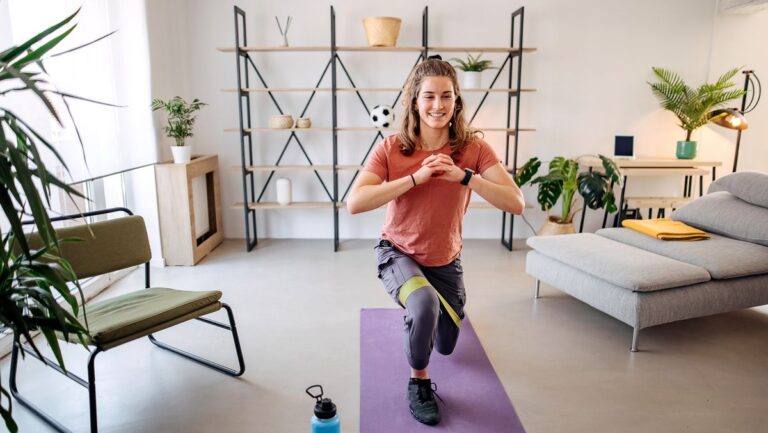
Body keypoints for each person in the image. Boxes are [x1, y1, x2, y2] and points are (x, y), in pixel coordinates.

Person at [347, 57, 525, 426]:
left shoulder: (473, 150)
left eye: (446, 96)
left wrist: (464, 177)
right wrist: (416, 178)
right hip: (397, 252)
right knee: (423, 304)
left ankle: (424, 317)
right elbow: (355, 202)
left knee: (445, 344)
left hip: (445, 260)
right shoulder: (392, 147)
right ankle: (419, 382)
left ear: (457, 100)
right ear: (414, 100)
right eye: (429, 96)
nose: (438, 105)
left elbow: (516, 202)